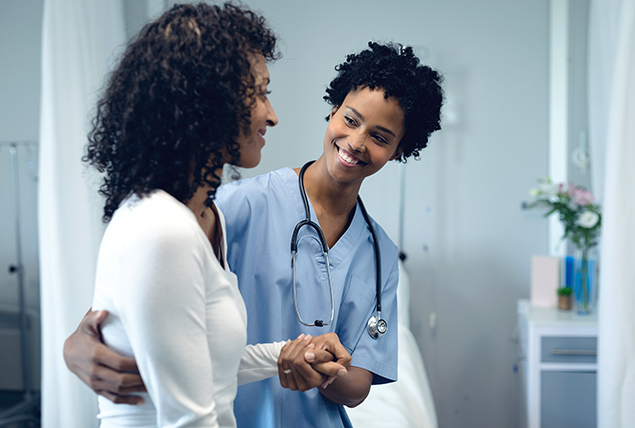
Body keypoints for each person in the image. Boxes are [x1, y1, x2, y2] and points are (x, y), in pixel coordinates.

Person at [65, 41, 444, 427]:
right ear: (332, 110)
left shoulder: (380, 257)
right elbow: (142, 288)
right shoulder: (239, 205)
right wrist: (76, 346)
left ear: (399, 150)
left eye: (380, 137)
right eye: (350, 119)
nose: (357, 142)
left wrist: (324, 368)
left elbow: (359, 384)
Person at [79, 3, 348, 427]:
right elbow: (188, 418)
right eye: (259, 92)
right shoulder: (161, 230)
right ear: (208, 101)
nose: (272, 115)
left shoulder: (206, 217)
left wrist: (284, 353)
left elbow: (205, 366)